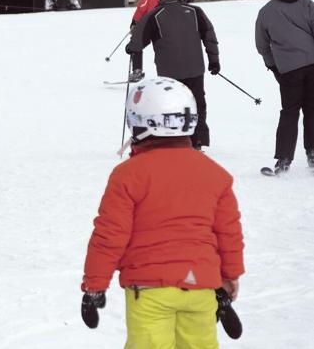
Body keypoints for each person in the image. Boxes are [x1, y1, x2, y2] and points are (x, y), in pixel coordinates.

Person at [81, 76, 244, 348]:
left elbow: (110, 236)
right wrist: (229, 275)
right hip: (200, 289)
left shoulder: (128, 176)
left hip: (149, 292)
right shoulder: (215, 175)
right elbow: (229, 233)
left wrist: (95, 284)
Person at [126, 0, 218, 150]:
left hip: (169, 74)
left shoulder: (154, 16)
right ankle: (197, 142)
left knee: (173, 106)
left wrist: (131, 48)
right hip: (195, 70)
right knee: (197, 104)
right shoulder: (195, 12)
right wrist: (214, 61)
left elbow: (137, 42)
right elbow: (209, 36)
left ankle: (176, 142)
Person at [255, 0, 314, 174]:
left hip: (288, 71)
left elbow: (262, 45)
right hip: (312, 65)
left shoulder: (265, 12)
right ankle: (313, 154)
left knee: (289, 113)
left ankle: (284, 160)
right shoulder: (307, 5)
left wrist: (274, 67)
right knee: (312, 110)